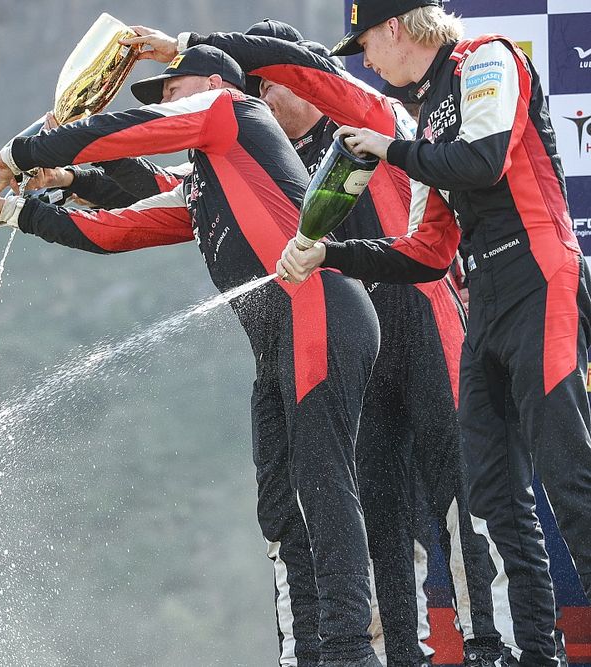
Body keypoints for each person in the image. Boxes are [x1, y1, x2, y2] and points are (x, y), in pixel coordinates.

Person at [0, 44, 383, 667]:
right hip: (280, 339)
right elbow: (115, 228)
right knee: (282, 503)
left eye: (172, 89)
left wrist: (18, 155)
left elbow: (128, 133)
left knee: (322, 481)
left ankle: (347, 652)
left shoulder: (233, 110)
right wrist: (17, 209)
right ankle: (307, 650)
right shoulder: (210, 178)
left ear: (208, 83)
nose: (166, 101)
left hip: (320, 312)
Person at [120, 21, 503, 667]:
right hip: (358, 344)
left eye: (272, 88)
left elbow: (296, 65)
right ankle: (398, 656)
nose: (265, 103)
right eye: (257, 94)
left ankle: (497, 648)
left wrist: (183, 44)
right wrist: (70, 184)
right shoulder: (273, 156)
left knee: (462, 497)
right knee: (380, 523)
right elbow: (181, 197)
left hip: (426, 321)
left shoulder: (358, 107)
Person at [276, 1, 591, 664]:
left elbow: (482, 161)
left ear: (397, 28)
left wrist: (390, 149)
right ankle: (540, 652)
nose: (367, 61)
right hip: (490, 300)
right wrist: (331, 254)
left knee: (568, 473)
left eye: (365, 44)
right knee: (494, 493)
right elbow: (424, 251)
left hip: (542, 276)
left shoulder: (487, 60)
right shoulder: (422, 118)